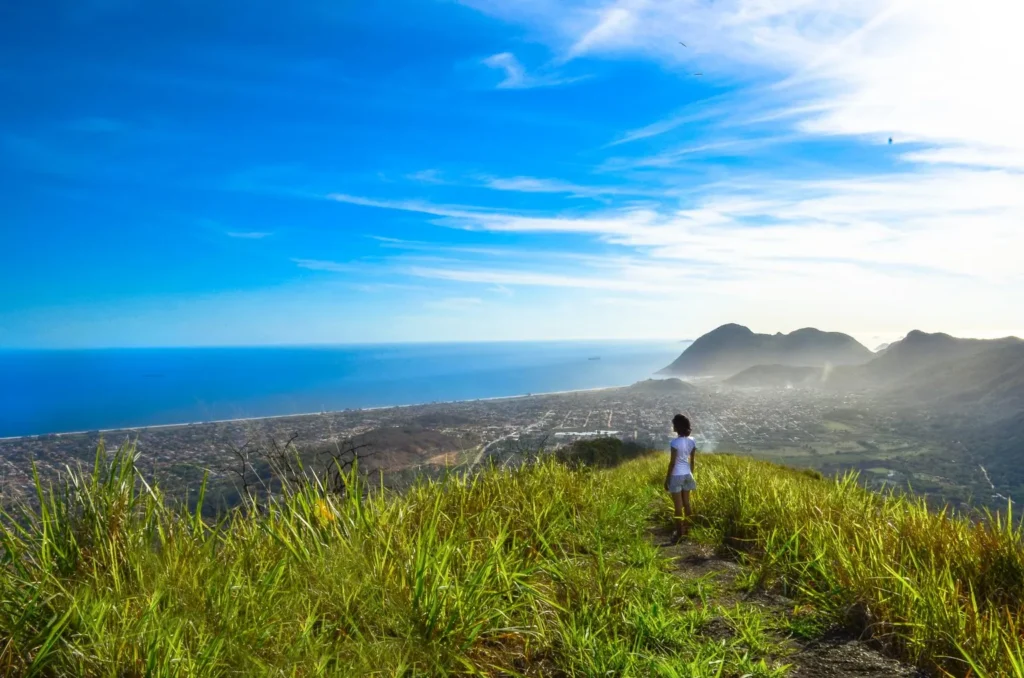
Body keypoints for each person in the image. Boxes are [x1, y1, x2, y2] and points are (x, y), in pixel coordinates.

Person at [664, 413, 697, 543]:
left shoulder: (675, 442)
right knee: (687, 504)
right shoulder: (692, 441)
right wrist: (691, 473)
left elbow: (672, 463)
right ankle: (688, 531)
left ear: (677, 427)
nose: (672, 426)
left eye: (674, 425)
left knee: (678, 506)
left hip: (676, 475)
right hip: (688, 474)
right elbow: (692, 460)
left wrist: (667, 479)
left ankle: (679, 534)